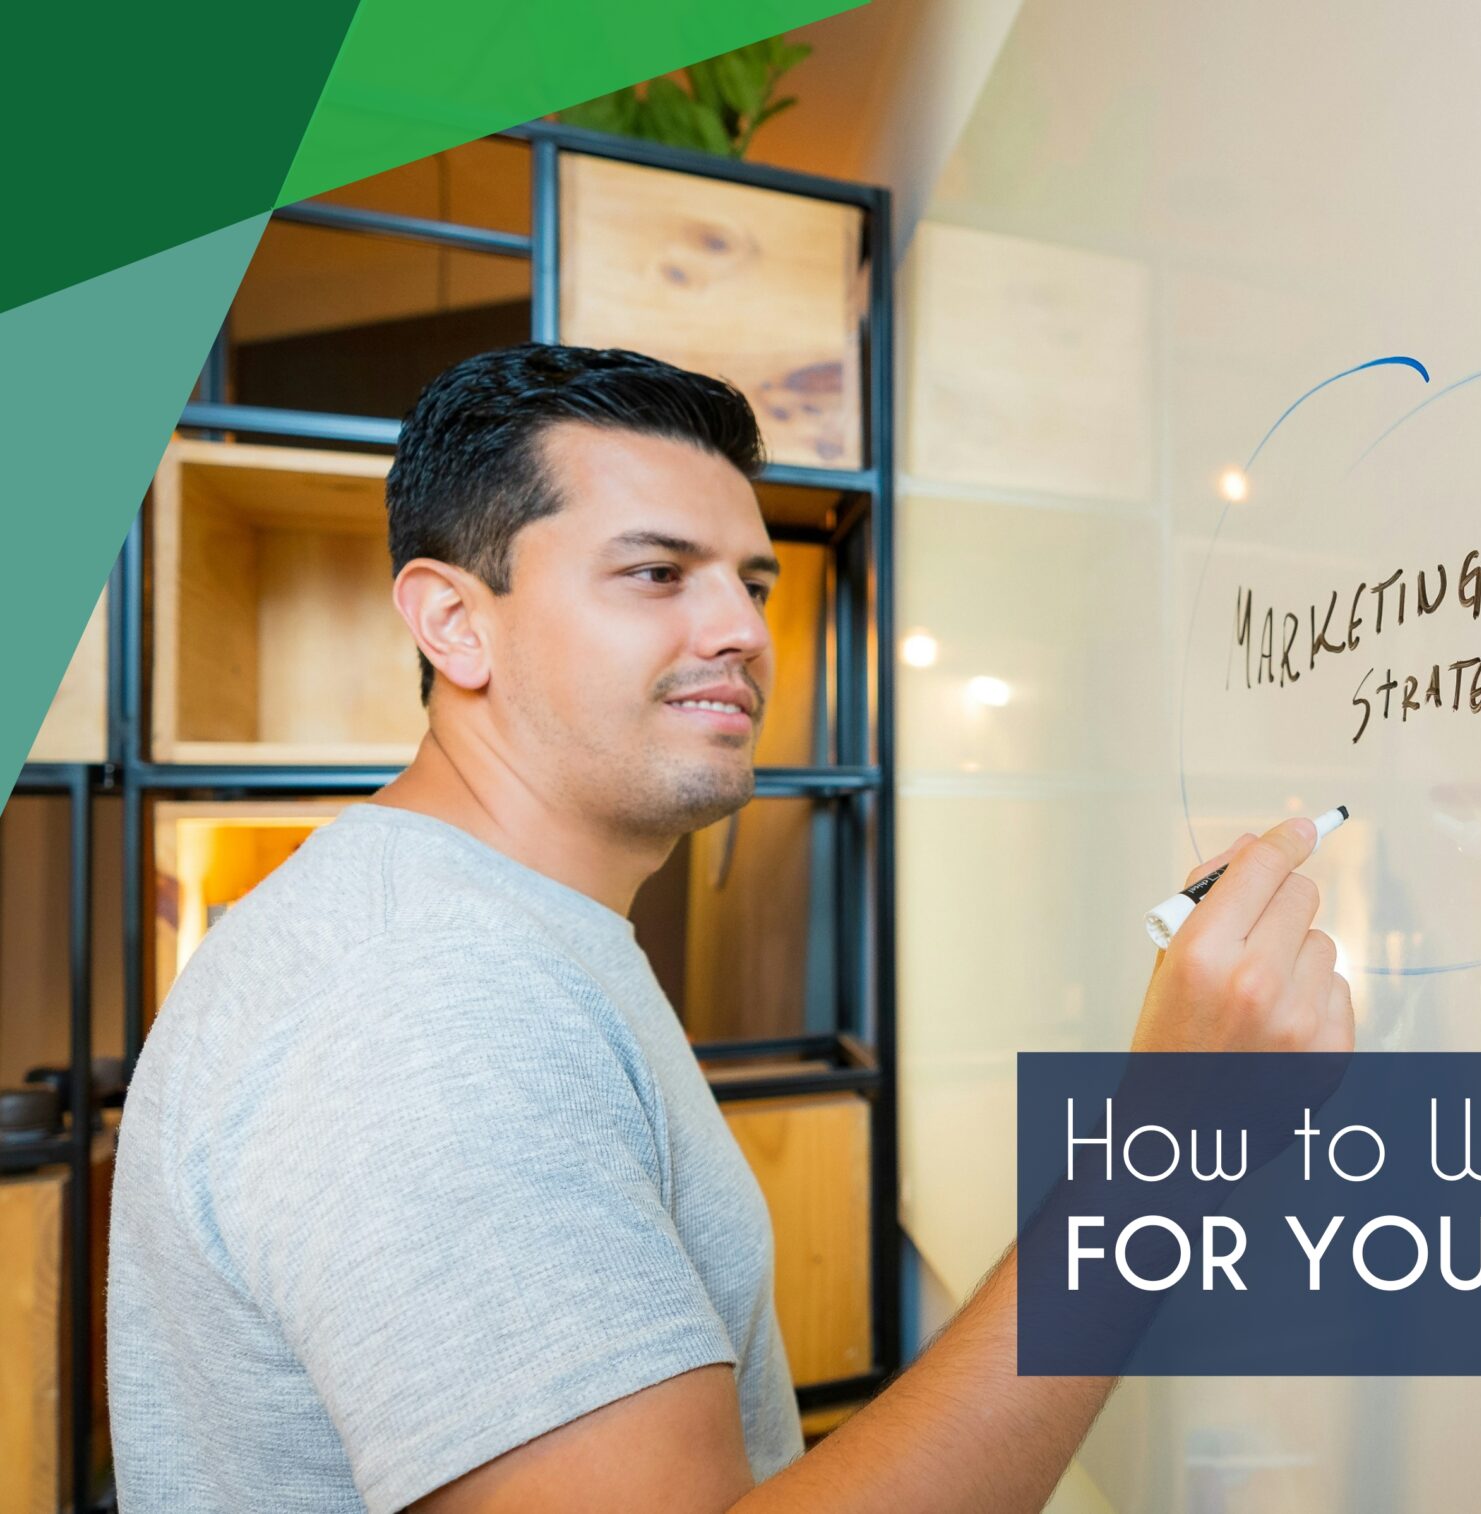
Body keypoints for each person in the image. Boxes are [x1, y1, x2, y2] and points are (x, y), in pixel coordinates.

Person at [105, 343, 1354, 1513]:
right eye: (656, 573)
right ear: (451, 621)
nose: (746, 631)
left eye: (751, 581)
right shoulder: (427, 1003)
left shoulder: (490, 932)